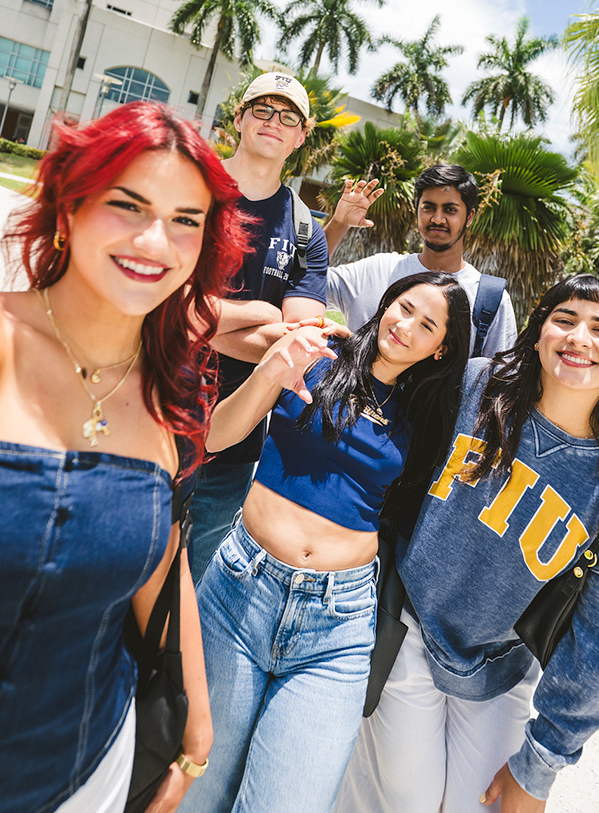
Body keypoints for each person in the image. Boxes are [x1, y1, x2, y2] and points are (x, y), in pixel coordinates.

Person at [0, 101, 248, 813]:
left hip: (84, 777)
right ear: (68, 208)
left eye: (187, 219)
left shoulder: (165, 400)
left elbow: (162, 550)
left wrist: (196, 717)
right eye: (128, 204)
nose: (157, 241)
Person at [336, 274, 599, 813]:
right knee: (401, 802)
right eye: (563, 320)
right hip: (407, 631)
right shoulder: (473, 387)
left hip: (503, 666)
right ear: (538, 334)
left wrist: (542, 763)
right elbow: (379, 404)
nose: (578, 338)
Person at [182, 272, 472, 813]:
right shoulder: (316, 352)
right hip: (240, 591)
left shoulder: (431, 420)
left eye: (426, 324)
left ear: (442, 349)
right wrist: (273, 366)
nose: (405, 326)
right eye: (403, 307)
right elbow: (216, 437)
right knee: (200, 789)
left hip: (337, 622)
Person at [189, 71, 329, 581]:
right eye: (263, 111)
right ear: (240, 118)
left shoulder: (305, 229)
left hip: (233, 438)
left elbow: (296, 347)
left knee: (190, 583)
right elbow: (154, 304)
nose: (274, 123)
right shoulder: (191, 189)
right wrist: (262, 313)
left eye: (288, 117)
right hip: (150, 405)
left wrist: (195, 317)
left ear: (300, 136)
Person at [325, 163, 517, 358]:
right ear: (416, 210)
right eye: (428, 207)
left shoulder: (490, 299)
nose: (438, 218)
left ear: (469, 217)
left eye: (450, 210)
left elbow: (497, 378)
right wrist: (339, 223)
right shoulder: (377, 270)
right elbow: (302, 280)